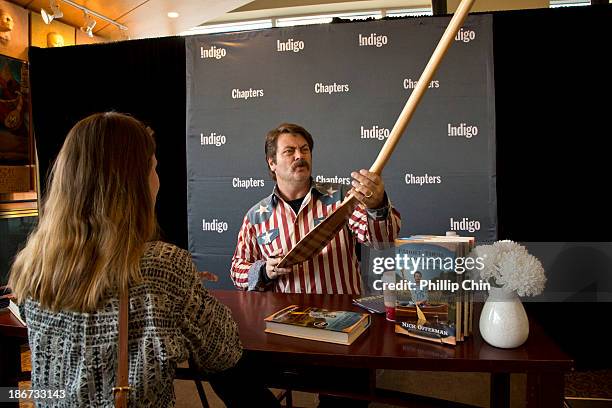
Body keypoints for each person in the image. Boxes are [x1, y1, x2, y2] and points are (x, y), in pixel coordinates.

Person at [8, 112, 278, 407]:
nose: (158, 180)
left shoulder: (32, 264)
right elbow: (223, 353)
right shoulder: (163, 266)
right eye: (154, 168)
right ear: (134, 184)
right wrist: (182, 286)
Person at [231, 123, 401, 294]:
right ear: (272, 162)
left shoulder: (343, 198)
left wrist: (377, 206)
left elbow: (382, 241)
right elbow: (237, 270)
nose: (300, 156)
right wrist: (264, 271)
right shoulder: (256, 217)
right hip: (286, 318)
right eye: (289, 151)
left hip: (343, 316)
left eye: (304, 150)